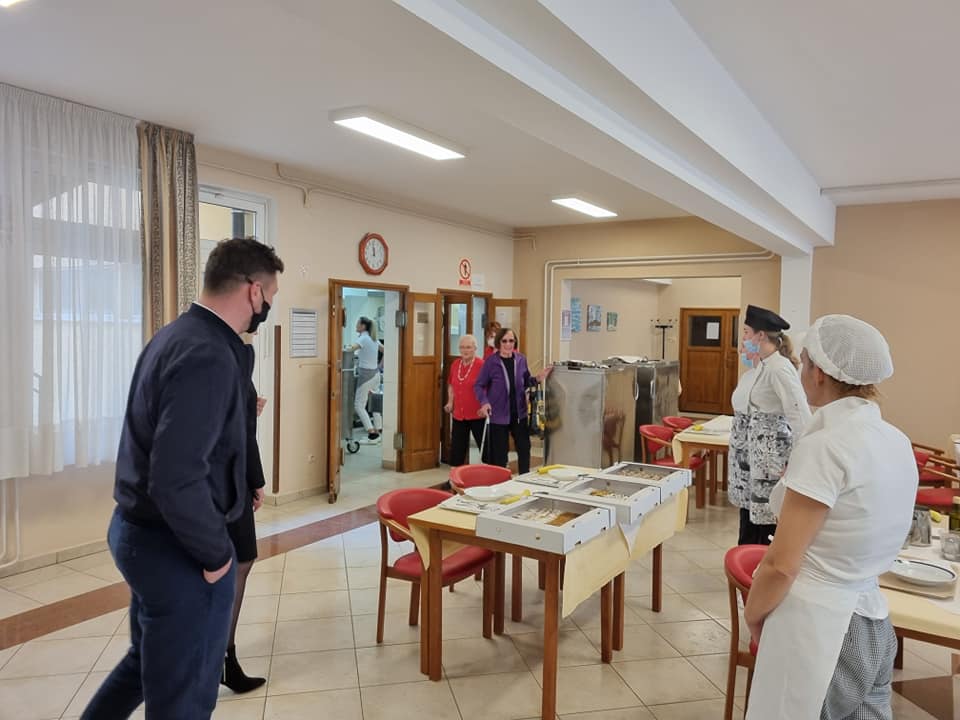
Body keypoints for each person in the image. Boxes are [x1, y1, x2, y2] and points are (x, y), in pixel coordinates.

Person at [82, 238, 284, 719]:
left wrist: (243, 479)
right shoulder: (208, 353)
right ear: (254, 292)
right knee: (186, 695)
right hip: (176, 547)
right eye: (271, 295)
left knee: (144, 665)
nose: (268, 306)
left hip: (138, 531)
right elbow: (175, 475)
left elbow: (202, 443)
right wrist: (216, 556)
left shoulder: (175, 334)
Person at [744, 314, 918, 720]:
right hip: (874, 622)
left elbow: (782, 564)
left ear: (818, 373)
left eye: (804, 362)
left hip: (820, 626)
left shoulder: (826, 446)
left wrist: (753, 614)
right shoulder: (895, 440)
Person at [727, 305, 811, 545]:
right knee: (750, 522)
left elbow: (801, 418)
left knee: (765, 525)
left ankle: (757, 566)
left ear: (760, 335)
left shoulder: (779, 368)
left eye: (746, 332)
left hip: (770, 463)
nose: (743, 339)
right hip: (753, 463)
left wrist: (797, 463)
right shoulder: (762, 366)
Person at [220, 341, 267, 694]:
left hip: (224, 476)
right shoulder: (224, 354)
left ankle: (219, 656)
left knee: (238, 562)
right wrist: (256, 480)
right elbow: (237, 428)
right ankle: (221, 658)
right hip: (225, 479)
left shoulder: (223, 350)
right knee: (238, 562)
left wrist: (251, 407)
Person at [475, 327, 551, 474]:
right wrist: (484, 402)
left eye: (511, 341)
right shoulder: (491, 362)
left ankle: (524, 478)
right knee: (500, 454)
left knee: (524, 448)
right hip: (498, 414)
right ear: (499, 342)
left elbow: (526, 381)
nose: (508, 344)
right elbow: (479, 385)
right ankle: (500, 482)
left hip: (519, 413)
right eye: (504, 341)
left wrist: (538, 378)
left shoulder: (521, 359)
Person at [444, 334, 485, 465]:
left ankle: (491, 473)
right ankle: (455, 474)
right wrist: (450, 402)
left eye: (468, 347)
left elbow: (489, 388)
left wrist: (485, 406)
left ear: (475, 349)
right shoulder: (455, 364)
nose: (465, 350)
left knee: (486, 449)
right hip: (459, 414)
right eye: (462, 347)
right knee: (457, 449)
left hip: (478, 414)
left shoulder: (481, 365)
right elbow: (451, 385)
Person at [346, 317, 383, 441]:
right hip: (376, 374)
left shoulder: (363, 338)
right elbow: (385, 350)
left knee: (359, 405)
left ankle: (371, 431)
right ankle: (379, 428)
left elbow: (350, 349)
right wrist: (380, 365)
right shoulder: (373, 339)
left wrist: (347, 347)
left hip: (366, 376)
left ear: (363, 326)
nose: (356, 325)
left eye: (357, 323)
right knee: (375, 403)